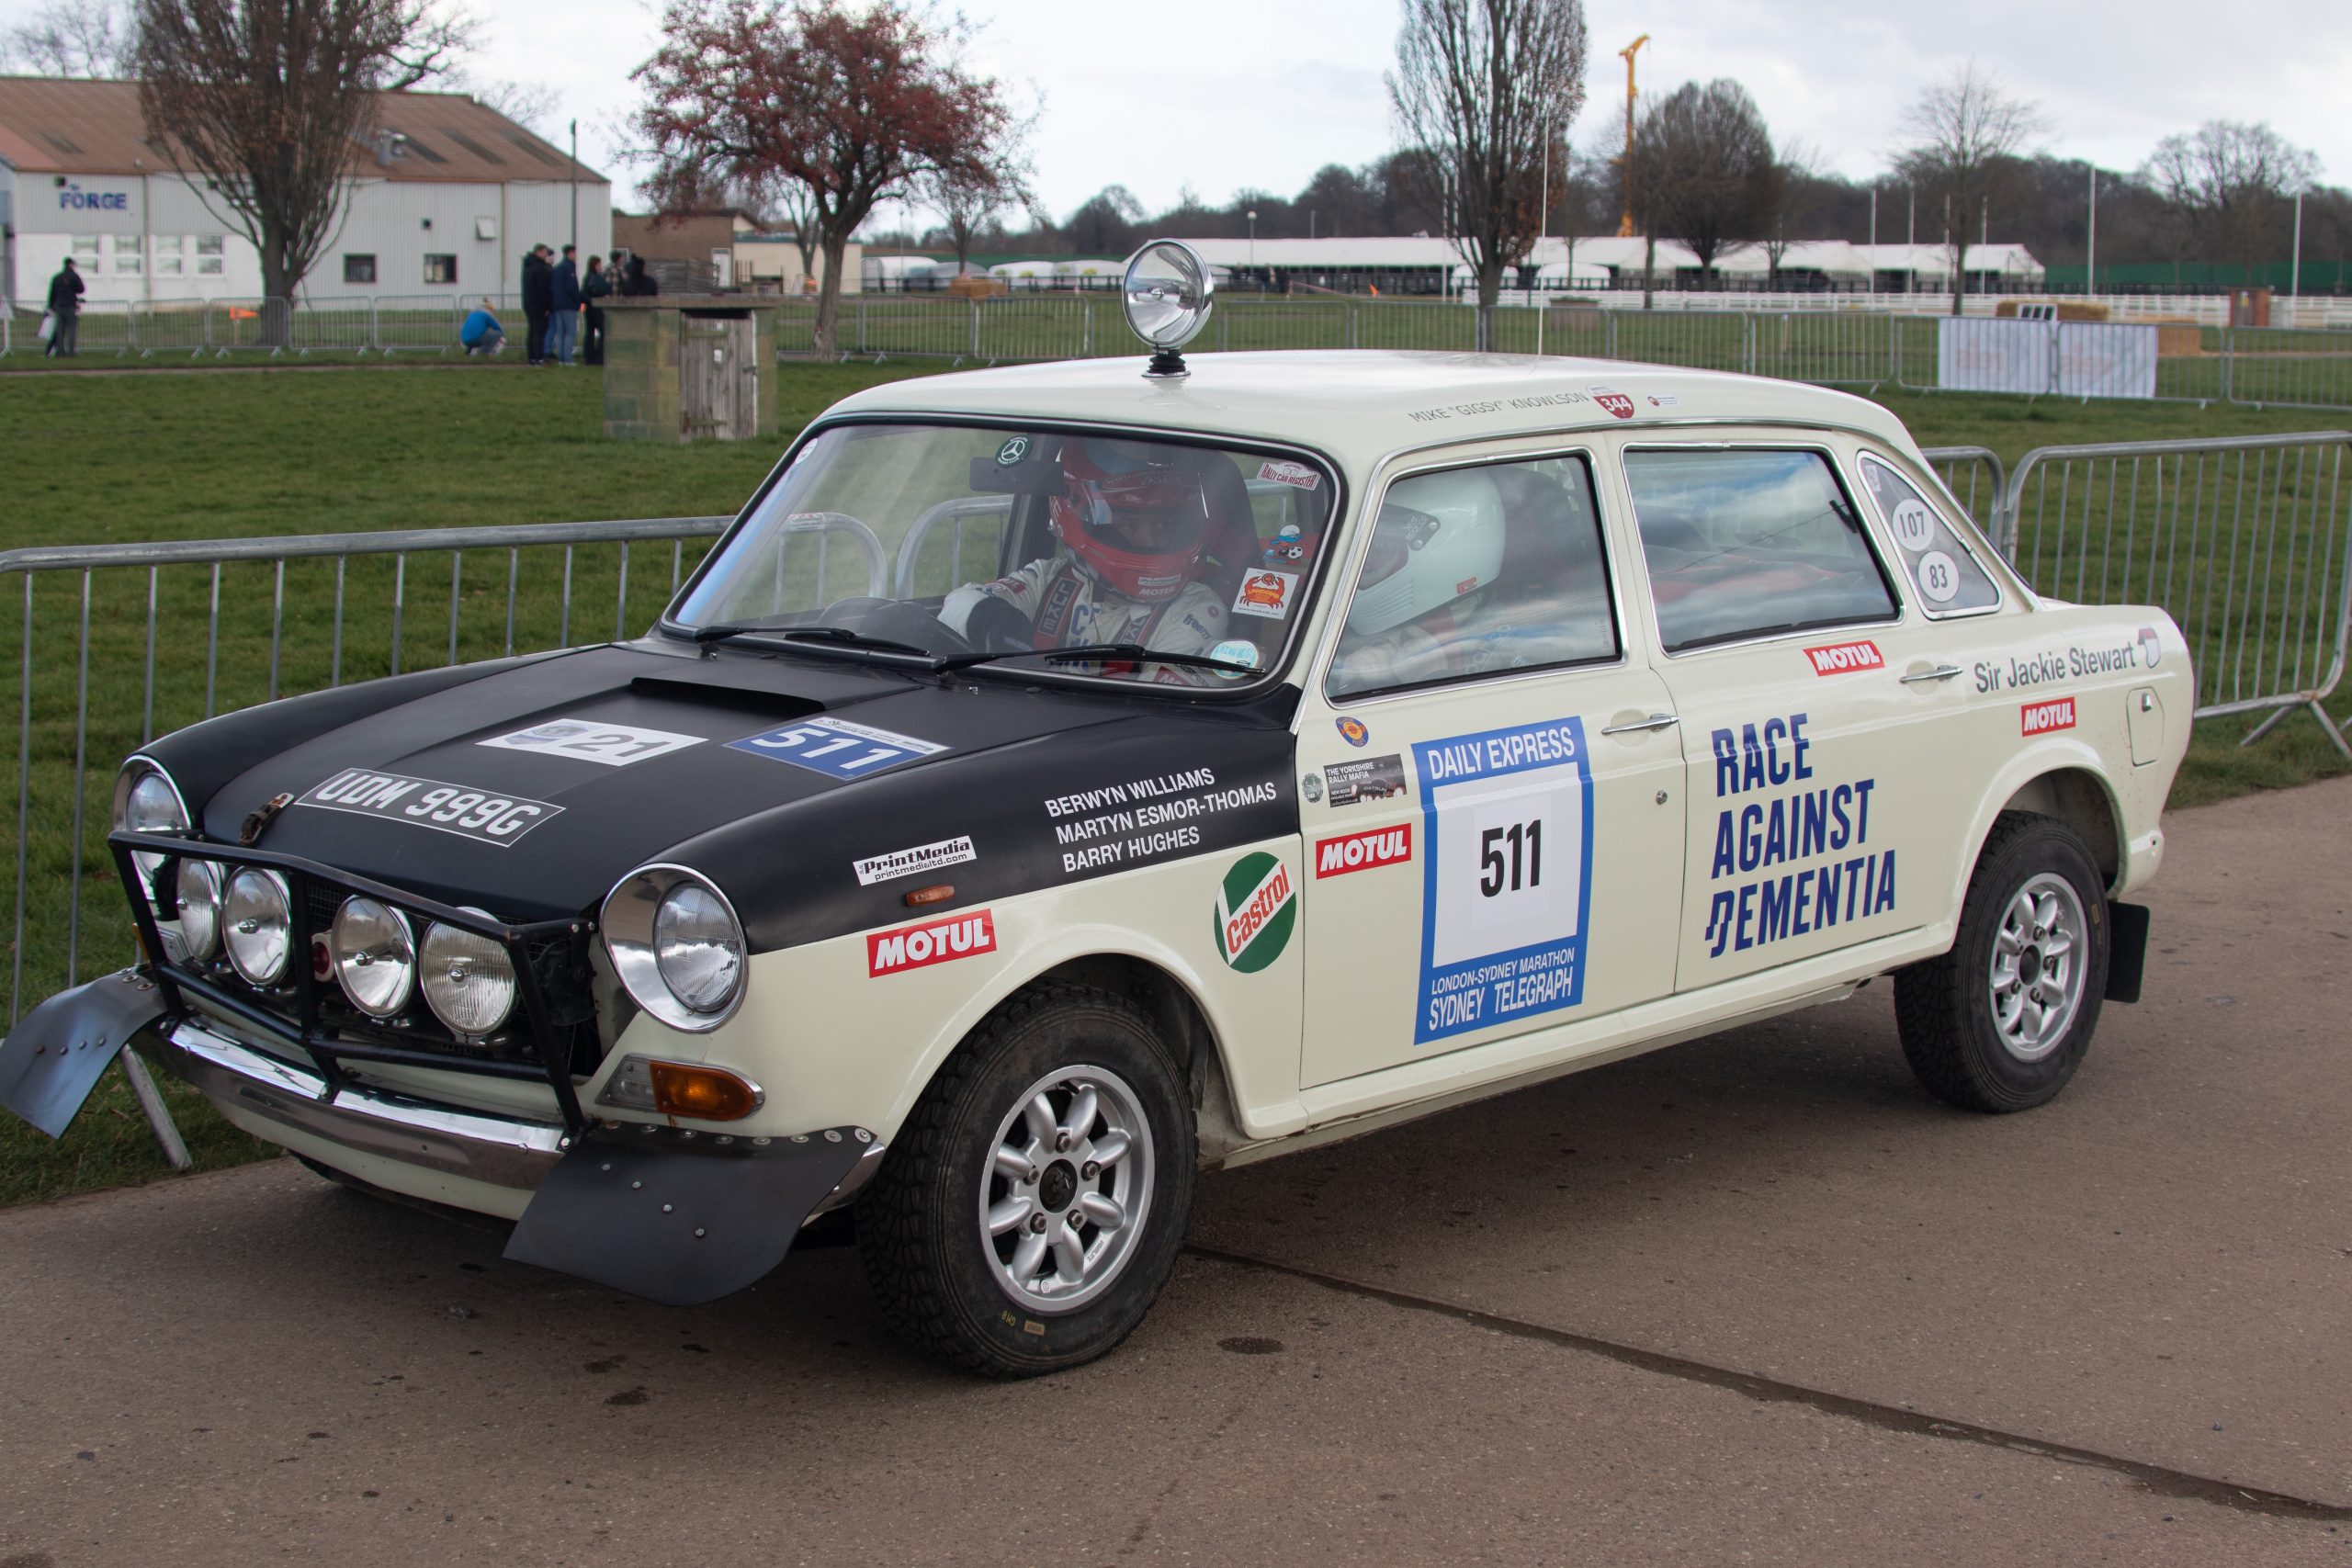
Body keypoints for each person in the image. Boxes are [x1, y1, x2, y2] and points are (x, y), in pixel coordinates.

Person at [937, 438, 1234, 680]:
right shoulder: (1049, 579)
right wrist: (998, 628)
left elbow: (1148, 712)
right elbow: (960, 602)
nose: (1151, 541)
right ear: (1078, 516)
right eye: (1130, 525)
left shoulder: (1197, 610)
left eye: (1164, 525)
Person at [547, 243, 582, 365]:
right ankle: (567, 359)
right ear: (570, 253)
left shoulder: (557, 268)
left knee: (560, 332)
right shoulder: (569, 268)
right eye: (575, 253)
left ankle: (561, 359)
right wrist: (578, 301)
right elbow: (571, 287)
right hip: (568, 305)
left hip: (557, 305)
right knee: (570, 332)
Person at [44, 255, 85, 358]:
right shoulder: (75, 276)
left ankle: (60, 352)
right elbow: (81, 289)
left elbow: (52, 293)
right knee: (71, 330)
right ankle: (71, 352)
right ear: (71, 264)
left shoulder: (57, 277)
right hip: (71, 306)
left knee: (60, 330)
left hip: (59, 306)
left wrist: (50, 306)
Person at [520, 243, 553, 365]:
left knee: (533, 331)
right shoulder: (540, 268)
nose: (546, 254)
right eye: (545, 252)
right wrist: (547, 307)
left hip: (529, 304)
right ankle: (538, 357)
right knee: (539, 332)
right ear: (539, 252)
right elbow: (542, 290)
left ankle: (532, 357)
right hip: (538, 306)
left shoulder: (528, 266)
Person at [581, 254, 611, 366]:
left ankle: (589, 358)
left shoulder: (587, 277)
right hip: (597, 309)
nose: (601, 267)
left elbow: (583, 293)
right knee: (603, 332)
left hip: (589, 309)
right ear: (595, 265)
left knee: (589, 333)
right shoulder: (596, 278)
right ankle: (599, 358)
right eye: (599, 264)